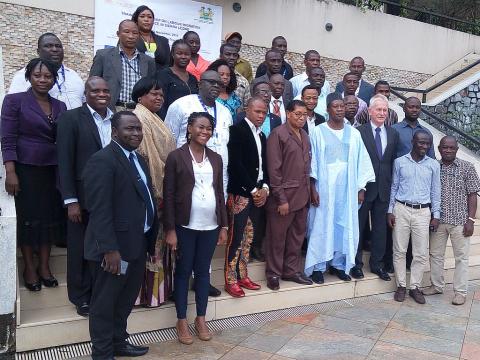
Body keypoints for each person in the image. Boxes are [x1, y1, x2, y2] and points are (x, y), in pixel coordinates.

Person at [82, 111, 157, 359]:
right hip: (114, 249)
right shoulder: (103, 160)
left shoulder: (138, 158)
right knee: (104, 304)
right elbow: (99, 209)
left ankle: (118, 342)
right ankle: (103, 353)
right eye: (129, 129)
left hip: (136, 244)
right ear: (115, 131)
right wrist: (109, 249)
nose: (136, 133)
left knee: (124, 301)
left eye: (138, 129)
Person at [2, 58, 67, 292]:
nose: (43, 80)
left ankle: (45, 266)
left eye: (48, 76)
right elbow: (7, 138)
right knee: (29, 219)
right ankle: (29, 266)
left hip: (52, 171)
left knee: (49, 218)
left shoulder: (60, 106)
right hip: (25, 170)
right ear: (29, 77)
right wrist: (10, 171)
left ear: (54, 79)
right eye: (38, 75)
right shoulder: (14, 101)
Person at [163, 112, 228, 344]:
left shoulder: (216, 158)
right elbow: (168, 195)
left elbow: (219, 193)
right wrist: (170, 229)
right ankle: (181, 320)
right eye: (200, 127)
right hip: (185, 225)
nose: (205, 131)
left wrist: (223, 225)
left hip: (210, 225)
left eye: (209, 128)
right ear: (189, 128)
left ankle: (201, 318)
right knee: (183, 272)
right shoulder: (176, 157)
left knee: (203, 273)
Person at [57, 77, 113, 316]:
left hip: (110, 197)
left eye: (105, 91)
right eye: (95, 90)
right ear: (85, 94)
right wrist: (71, 200)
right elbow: (64, 161)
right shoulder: (71, 118)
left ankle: (100, 292)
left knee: (105, 247)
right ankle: (81, 297)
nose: (101, 94)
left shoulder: (117, 119)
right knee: (80, 248)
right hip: (82, 197)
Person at [306, 93, 375, 284]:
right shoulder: (317, 132)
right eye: (335, 106)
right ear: (327, 109)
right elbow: (312, 163)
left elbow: (362, 162)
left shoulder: (354, 134)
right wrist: (313, 188)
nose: (339, 109)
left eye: (342, 106)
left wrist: (361, 189)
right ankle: (318, 266)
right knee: (321, 225)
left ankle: (338, 265)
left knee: (343, 226)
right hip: (324, 190)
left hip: (347, 191)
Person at [131, 77, 176, 307]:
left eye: (161, 94)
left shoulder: (155, 118)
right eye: (153, 94)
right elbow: (149, 158)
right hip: (151, 192)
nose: (159, 98)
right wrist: (162, 190)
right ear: (140, 97)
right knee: (150, 246)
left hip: (161, 190)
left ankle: (155, 293)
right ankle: (146, 296)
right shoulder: (140, 118)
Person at [423, 136, 480, 305]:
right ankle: (436, 285)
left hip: (460, 221)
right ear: (439, 149)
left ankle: (460, 292)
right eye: (445, 148)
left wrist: (470, 220)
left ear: (456, 149)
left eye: (451, 148)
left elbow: (472, 195)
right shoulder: (434, 166)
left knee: (461, 258)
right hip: (438, 220)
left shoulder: (467, 167)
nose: (448, 150)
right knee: (436, 255)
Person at [388, 130, 441, 304]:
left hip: (423, 212)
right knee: (400, 250)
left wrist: (436, 215)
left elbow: (436, 191)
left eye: (427, 143)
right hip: (401, 209)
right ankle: (401, 286)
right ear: (413, 142)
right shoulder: (399, 162)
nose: (424, 146)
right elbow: (394, 187)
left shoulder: (433, 165)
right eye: (421, 143)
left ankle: (414, 287)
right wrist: (390, 210)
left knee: (420, 253)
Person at [265, 100, 314, 290]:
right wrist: (281, 199)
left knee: (297, 236)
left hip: (302, 195)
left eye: (304, 115)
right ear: (288, 113)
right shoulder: (278, 135)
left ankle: (291, 270)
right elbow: (274, 170)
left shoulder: (305, 135)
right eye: (297, 114)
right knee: (277, 238)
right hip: (284, 198)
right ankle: (274, 273)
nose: (301, 118)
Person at [224, 97, 269, 297]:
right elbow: (236, 165)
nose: (261, 116)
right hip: (242, 192)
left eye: (264, 113)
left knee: (248, 237)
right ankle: (230, 279)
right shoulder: (236, 131)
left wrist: (265, 188)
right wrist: (252, 189)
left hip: (257, 193)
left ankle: (242, 274)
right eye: (257, 111)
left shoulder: (262, 136)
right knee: (236, 237)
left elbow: (264, 165)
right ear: (246, 110)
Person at [165, 70, 232, 198]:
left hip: (219, 175)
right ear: (200, 84)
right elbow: (168, 140)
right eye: (212, 82)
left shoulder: (225, 112)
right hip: (188, 172)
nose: (216, 86)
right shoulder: (181, 105)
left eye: (219, 84)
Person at [353, 94, 399, 281]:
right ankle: (355, 264)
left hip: (384, 189)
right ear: (369, 111)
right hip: (364, 189)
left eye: (384, 110)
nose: (381, 113)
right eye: (378, 109)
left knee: (380, 229)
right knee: (358, 227)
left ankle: (377, 265)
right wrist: (358, 187)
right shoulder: (359, 132)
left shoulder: (393, 133)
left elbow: (392, 162)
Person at [90, 19, 156, 111]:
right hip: (111, 109)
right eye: (126, 32)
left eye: (135, 33)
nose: (131, 36)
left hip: (139, 111)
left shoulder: (148, 61)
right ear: (118, 33)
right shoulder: (103, 56)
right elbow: (92, 84)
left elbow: (151, 89)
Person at [8, 32, 84, 110]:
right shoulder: (23, 75)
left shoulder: (74, 76)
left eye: (58, 46)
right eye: (48, 46)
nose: (55, 49)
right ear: (38, 51)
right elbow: (12, 106)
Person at [156, 39, 199, 119]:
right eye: (179, 53)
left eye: (187, 54)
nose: (183, 57)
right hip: (168, 122)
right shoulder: (163, 75)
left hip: (190, 124)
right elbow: (160, 103)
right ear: (172, 54)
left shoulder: (193, 79)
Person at [131, 5, 170, 70]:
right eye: (142, 16)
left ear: (153, 21)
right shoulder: (129, 38)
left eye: (149, 17)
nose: (146, 19)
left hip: (159, 78)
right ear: (136, 20)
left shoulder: (164, 41)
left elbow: (168, 64)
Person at [219, 43, 250, 112]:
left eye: (235, 55)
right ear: (220, 56)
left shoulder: (243, 82)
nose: (232, 57)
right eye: (228, 54)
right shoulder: (213, 76)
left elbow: (247, 108)